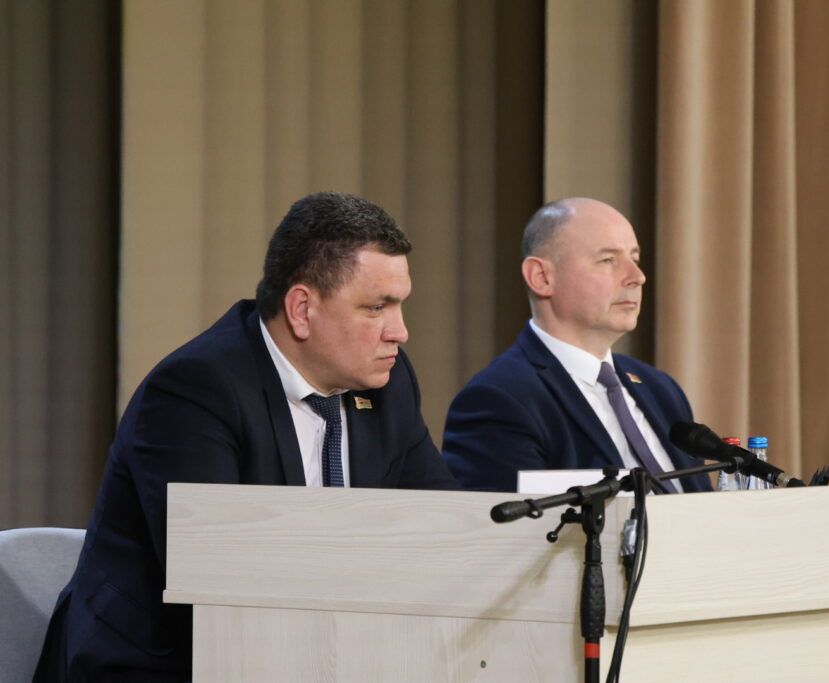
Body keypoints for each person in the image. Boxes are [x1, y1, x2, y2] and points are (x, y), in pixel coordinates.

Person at [34, 192, 458, 682]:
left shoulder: (387, 384)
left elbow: (443, 528)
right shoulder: (196, 391)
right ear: (302, 309)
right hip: (162, 665)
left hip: (322, 657)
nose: (399, 332)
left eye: (400, 306)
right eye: (377, 307)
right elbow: (215, 580)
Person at [442, 197, 711, 494]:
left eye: (635, 259)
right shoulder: (499, 400)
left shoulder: (661, 390)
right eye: (608, 260)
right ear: (541, 277)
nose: (637, 277)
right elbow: (505, 521)